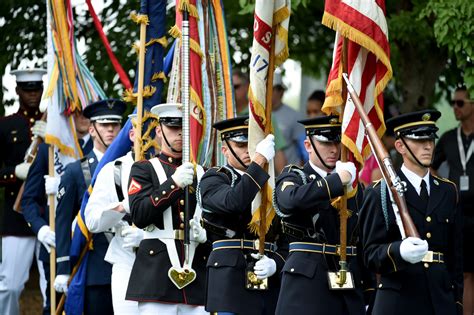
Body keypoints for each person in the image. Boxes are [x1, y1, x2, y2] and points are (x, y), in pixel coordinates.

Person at [360, 109, 463, 315]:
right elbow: (369, 254)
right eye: (419, 140)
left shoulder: (447, 190)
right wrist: (398, 251)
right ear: (400, 146)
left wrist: (456, 302)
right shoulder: (380, 192)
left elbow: (455, 257)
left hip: (439, 300)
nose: (428, 146)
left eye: (431, 139)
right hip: (399, 300)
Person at [273, 115, 369, 315]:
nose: (334, 149)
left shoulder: (353, 187)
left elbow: (362, 241)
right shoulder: (295, 176)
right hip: (307, 288)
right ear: (308, 145)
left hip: (348, 287)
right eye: (326, 143)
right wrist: (335, 182)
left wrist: (369, 292)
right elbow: (290, 200)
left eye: (337, 142)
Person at [126, 103, 208, 314]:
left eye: (184, 127)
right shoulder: (144, 169)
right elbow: (140, 215)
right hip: (157, 273)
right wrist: (173, 184)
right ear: (159, 131)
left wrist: (206, 234)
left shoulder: (203, 173)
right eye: (172, 127)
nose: (179, 132)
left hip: (197, 271)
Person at [199, 116, 287, 314]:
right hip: (230, 283)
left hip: (268, 286)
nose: (249, 151)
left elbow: (288, 236)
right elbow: (234, 202)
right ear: (225, 150)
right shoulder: (214, 178)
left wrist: (277, 262)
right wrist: (259, 161)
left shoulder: (271, 185)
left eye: (253, 145)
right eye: (241, 145)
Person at [51, 99, 125, 314]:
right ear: (92, 129)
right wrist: (63, 267)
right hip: (95, 266)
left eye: (115, 125)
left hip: (129, 263)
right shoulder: (76, 171)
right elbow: (63, 222)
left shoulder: (132, 166)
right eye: (104, 125)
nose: (110, 130)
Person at [84, 113, 151, 314]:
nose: (151, 140)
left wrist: (147, 237)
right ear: (132, 135)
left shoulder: (176, 170)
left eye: (155, 133)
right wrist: (121, 207)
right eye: (144, 134)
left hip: (164, 262)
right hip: (126, 259)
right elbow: (93, 221)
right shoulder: (113, 170)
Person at [0, 68, 47, 315]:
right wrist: (14, 172)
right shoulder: (6, 126)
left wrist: (52, 137)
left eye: (37, 89)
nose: (33, 94)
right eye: (27, 89)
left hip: (46, 211)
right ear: (17, 90)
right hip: (15, 215)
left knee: (51, 283)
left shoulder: (53, 125)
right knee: (10, 285)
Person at [432, 87, 473, 315]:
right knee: (464, 271)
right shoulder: (449, 138)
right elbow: (430, 166)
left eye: (460, 103)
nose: (455, 107)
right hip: (459, 212)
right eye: (453, 102)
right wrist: (445, 189)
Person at [232, 69, 288, 172]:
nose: (232, 91)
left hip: (257, 176)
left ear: (247, 86)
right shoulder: (223, 114)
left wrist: (282, 180)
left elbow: (278, 151)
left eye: (236, 87)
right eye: (230, 87)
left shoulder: (262, 114)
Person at [271, 70, 305, 165]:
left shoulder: (294, 116)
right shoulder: (259, 115)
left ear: (280, 91)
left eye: (273, 89)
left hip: (290, 173)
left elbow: (303, 149)